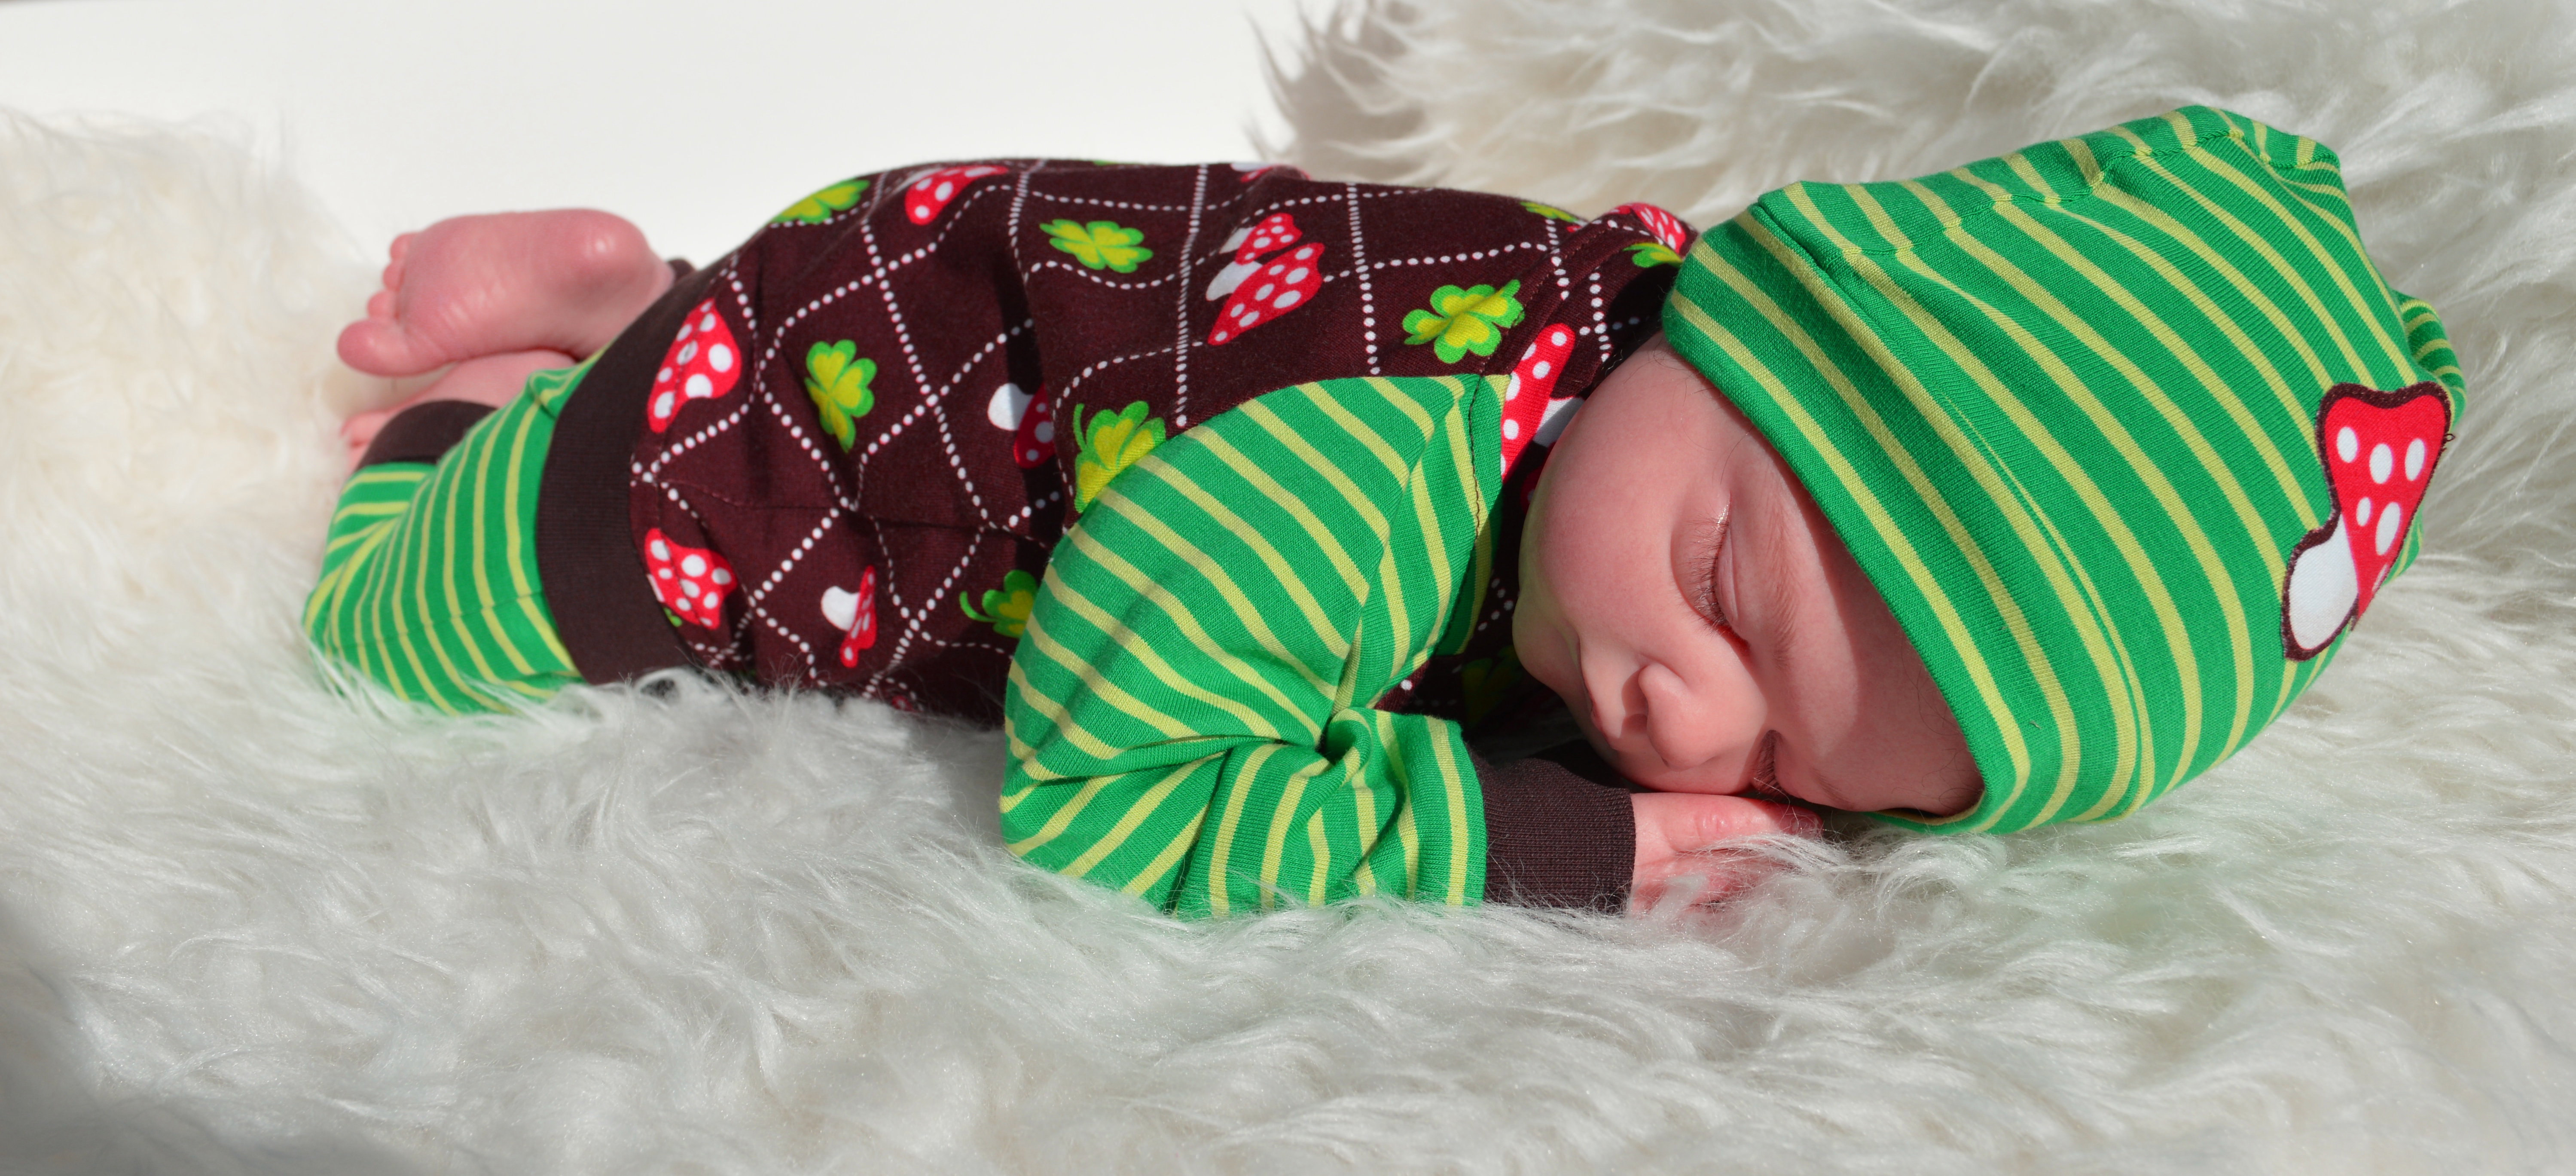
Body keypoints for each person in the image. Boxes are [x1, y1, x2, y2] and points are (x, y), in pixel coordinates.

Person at [308, 106, 2464, 917]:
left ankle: (621, 289)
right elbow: (1106, 793)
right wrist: (1551, 843)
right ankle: (515, 392)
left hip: (940, 326)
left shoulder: (1634, 373)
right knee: (385, 635)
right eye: (1720, 591)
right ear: (1743, 320)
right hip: (768, 439)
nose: (1682, 721)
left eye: (1803, 764)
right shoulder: (1360, 477)